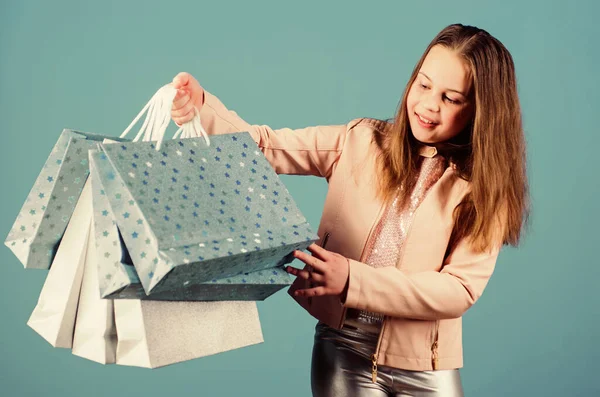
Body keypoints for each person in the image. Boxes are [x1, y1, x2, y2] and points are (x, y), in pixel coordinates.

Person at [170, 23, 529, 397]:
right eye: (423, 85)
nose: (429, 105)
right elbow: (266, 147)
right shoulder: (360, 141)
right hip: (343, 349)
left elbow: (459, 289)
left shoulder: (484, 189)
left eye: (451, 98)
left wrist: (352, 280)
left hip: (428, 364)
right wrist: (203, 107)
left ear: (481, 111)